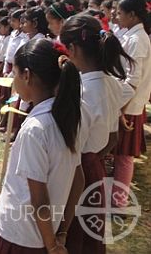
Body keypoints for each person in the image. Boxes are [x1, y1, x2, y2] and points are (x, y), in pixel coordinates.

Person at [0, 39, 84, 254]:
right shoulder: (69, 117)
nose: (13, 79)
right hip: (46, 232)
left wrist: (53, 246)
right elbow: (78, 179)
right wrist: (61, 232)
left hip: (20, 236)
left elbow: (39, 200)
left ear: (26, 75)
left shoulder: (36, 129)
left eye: (15, 73)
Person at [60, 14, 134, 253]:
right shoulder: (112, 83)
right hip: (95, 170)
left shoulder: (82, 90)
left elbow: (70, 148)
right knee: (89, 238)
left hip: (76, 176)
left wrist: (84, 160)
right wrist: (93, 159)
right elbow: (113, 137)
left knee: (71, 235)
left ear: (71, 48)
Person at [113, 0, 151, 207]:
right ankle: (116, 197)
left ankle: (119, 202)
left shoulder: (138, 40)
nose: (117, 18)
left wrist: (121, 108)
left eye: (120, 13)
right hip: (125, 101)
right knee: (120, 154)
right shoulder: (132, 36)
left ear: (132, 15)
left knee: (124, 156)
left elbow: (133, 79)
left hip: (129, 105)